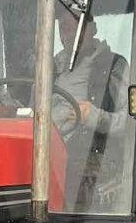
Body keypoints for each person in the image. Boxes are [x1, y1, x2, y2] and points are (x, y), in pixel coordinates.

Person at [52, 8, 129, 136]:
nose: (70, 33)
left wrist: (95, 118)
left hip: (85, 151)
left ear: (93, 29)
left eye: (77, 24)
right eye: (64, 26)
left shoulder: (113, 65)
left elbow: (132, 121)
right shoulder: (52, 67)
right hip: (44, 144)